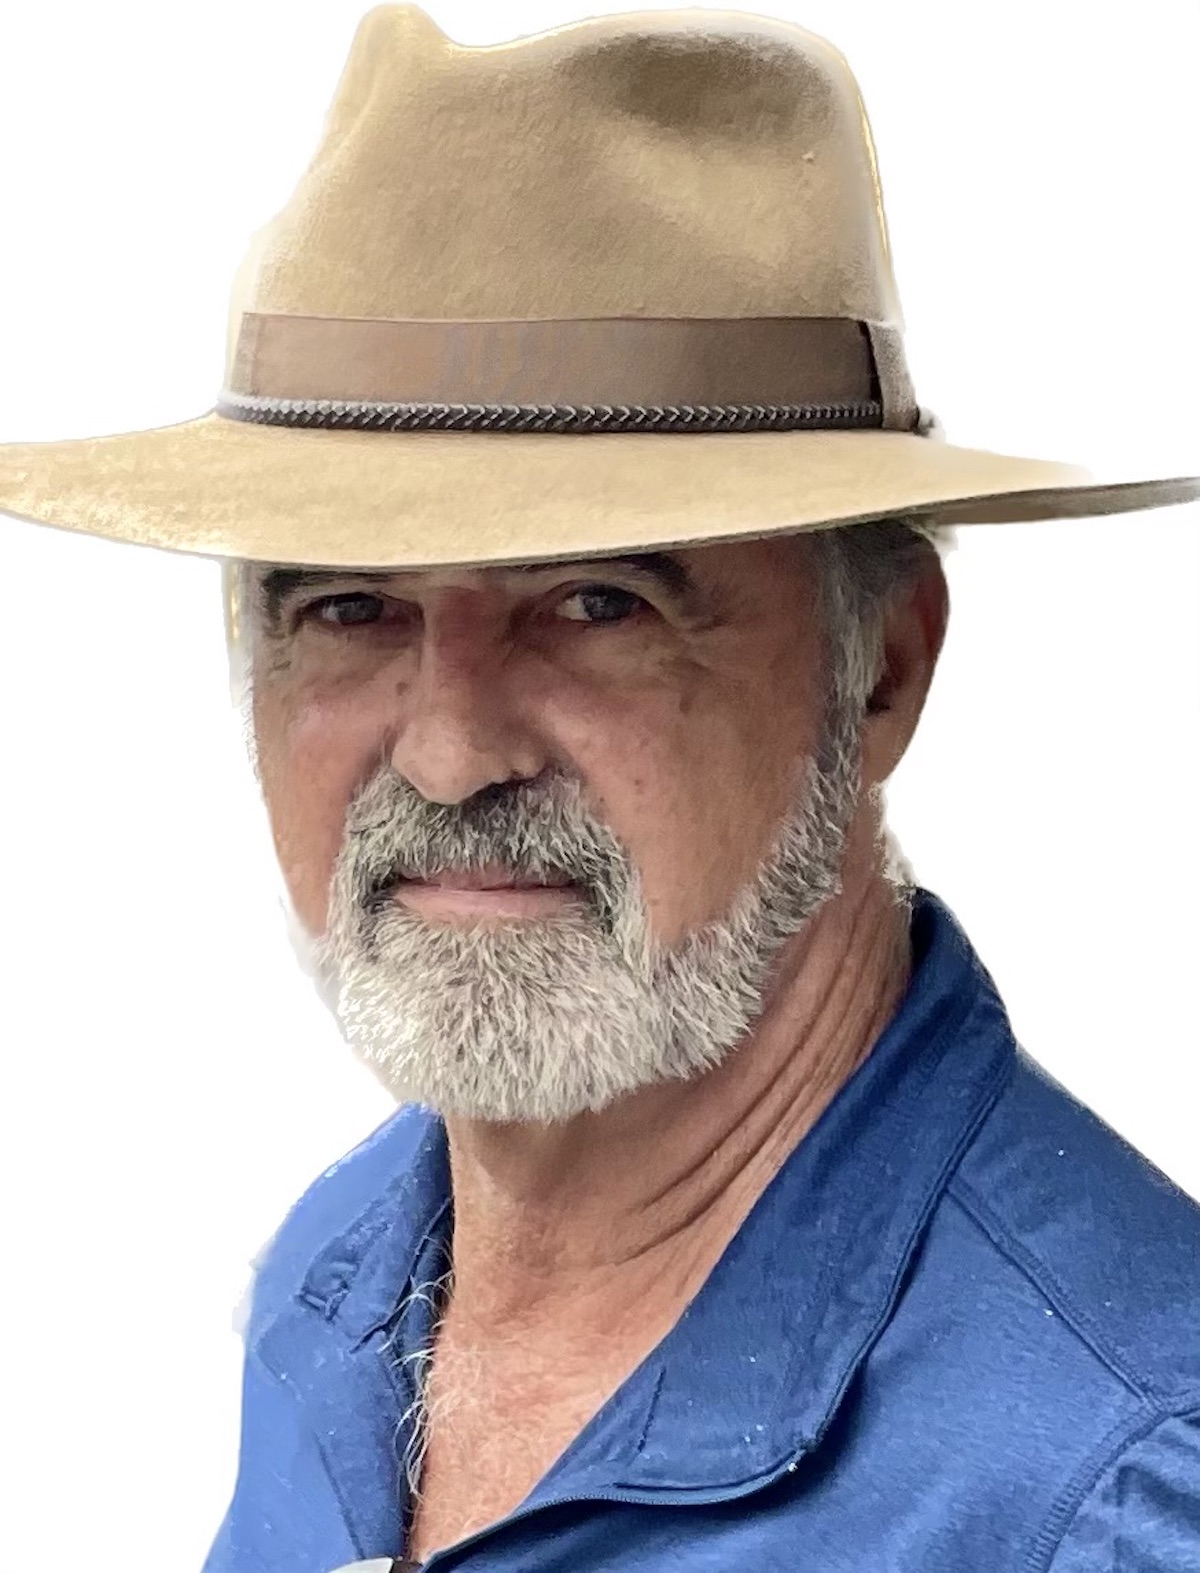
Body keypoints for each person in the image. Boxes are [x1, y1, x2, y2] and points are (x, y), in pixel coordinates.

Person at [0, 7, 1197, 1570]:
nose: (450, 752)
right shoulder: (338, 1283)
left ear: (882, 669)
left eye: (593, 603)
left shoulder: (1117, 1491)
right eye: (350, 606)